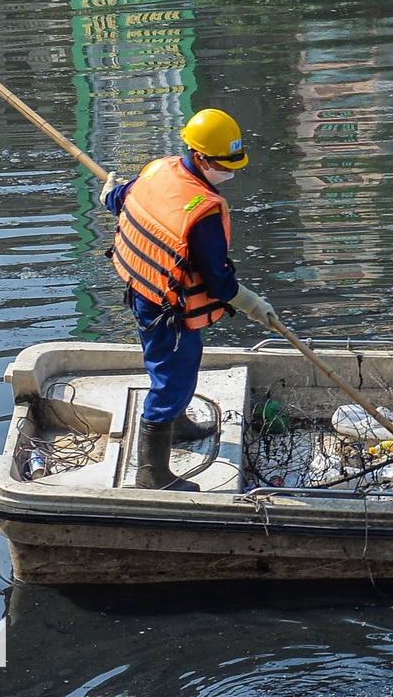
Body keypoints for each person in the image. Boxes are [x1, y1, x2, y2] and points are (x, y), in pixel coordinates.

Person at [99, 108, 279, 490]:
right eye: (223, 164)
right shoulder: (203, 212)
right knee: (172, 377)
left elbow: (122, 199)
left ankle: (177, 424)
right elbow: (218, 281)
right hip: (167, 308)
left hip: (145, 292)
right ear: (200, 157)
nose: (229, 171)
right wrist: (253, 305)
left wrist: (109, 194)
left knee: (178, 365)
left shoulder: (158, 170)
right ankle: (152, 474)